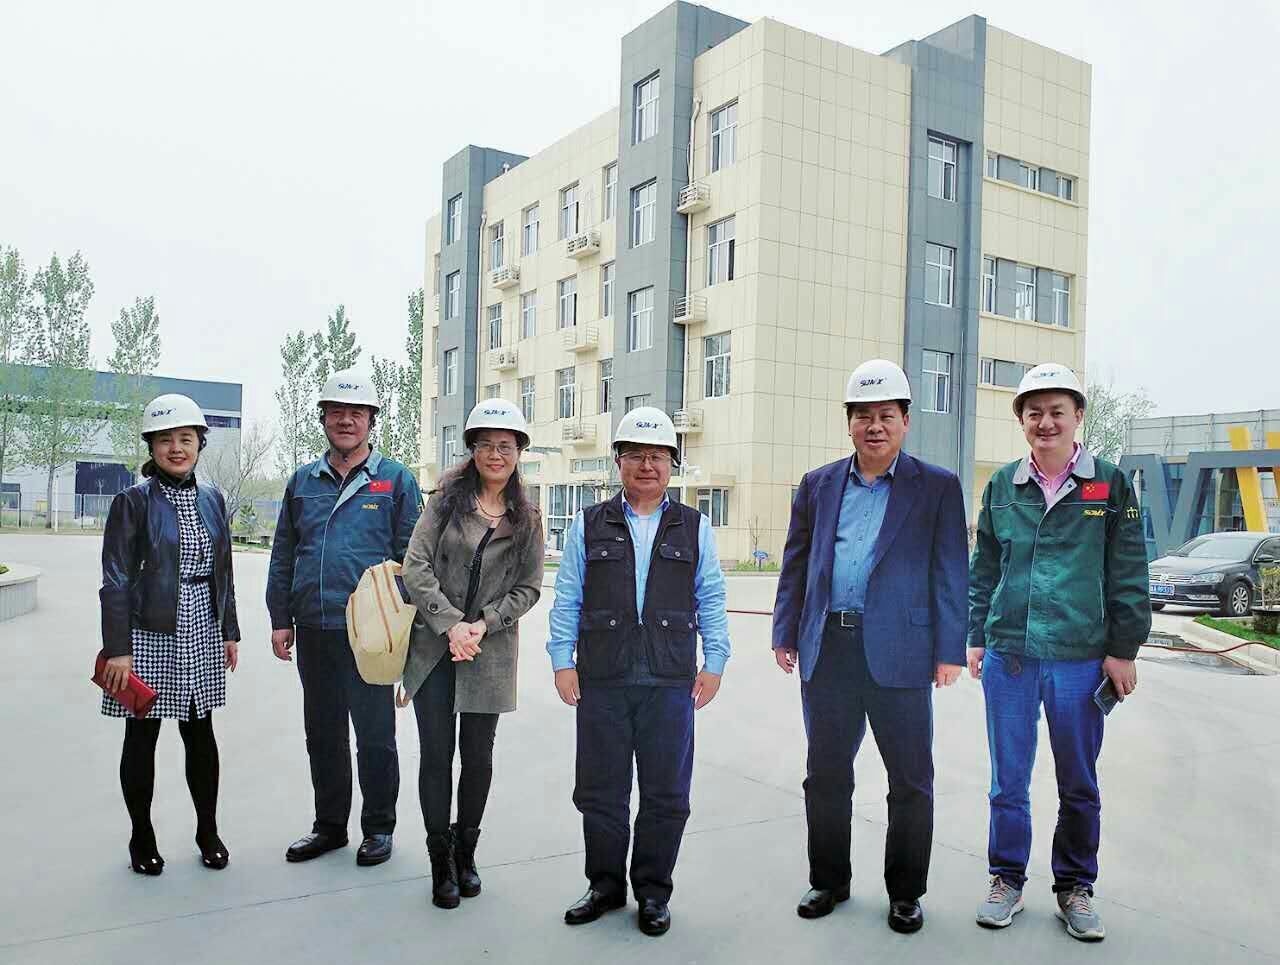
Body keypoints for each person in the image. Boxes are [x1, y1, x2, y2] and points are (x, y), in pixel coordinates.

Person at [771, 359, 968, 934]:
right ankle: (828, 880)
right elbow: (797, 563)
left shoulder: (937, 487)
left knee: (910, 780)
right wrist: (786, 631)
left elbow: (950, 570)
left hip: (902, 652)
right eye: (863, 416)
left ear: (906, 421)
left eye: (886, 416)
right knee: (826, 774)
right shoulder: (818, 484)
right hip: (829, 647)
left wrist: (949, 649)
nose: (874, 426)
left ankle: (905, 893)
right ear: (849, 422)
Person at [968, 362, 1150, 942]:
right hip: (1011, 656)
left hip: (1079, 658)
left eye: (1056, 412)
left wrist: (1123, 649)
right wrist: (976, 635)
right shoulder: (1003, 486)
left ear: (1078, 417)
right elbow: (984, 567)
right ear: (1021, 420)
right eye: (1034, 413)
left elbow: (1128, 570)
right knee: (1007, 781)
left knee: (1078, 783)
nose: (1045, 422)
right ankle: (1007, 879)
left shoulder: (1108, 485)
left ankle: (1074, 886)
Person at [547, 407, 730, 938]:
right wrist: (562, 661)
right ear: (618, 461)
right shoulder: (587, 524)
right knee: (600, 791)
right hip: (602, 677)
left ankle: (653, 892)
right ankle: (604, 886)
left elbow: (711, 597)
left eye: (657, 456)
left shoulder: (694, 526)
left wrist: (715, 662)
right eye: (636, 455)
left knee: (666, 794)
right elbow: (568, 596)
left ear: (672, 463)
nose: (647, 465)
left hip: (670, 681)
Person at [266, 369, 422, 867]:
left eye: (357, 413)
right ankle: (330, 826)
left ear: (371, 420)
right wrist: (280, 617)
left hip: (370, 637)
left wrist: (404, 628)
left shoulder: (395, 480)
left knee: (375, 736)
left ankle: (378, 828)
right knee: (323, 734)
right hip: (315, 627)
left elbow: (413, 559)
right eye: (337, 412)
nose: (347, 421)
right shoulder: (302, 482)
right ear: (324, 419)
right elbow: (284, 553)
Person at [399, 399, 545, 909]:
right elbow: (415, 566)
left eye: (505, 445)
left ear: (519, 452)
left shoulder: (527, 517)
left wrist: (483, 624)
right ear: (472, 450)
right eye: (485, 445)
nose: (495, 454)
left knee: (478, 757)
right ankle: (439, 859)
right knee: (436, 755)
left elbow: (529, 587)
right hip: (435, 648)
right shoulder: (444, 502)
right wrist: (450, 623)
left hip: (489, 650)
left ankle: (466, 853)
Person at [99, 394, 240, 875]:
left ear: (200, 443)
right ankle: (141, 835)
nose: (176, 448)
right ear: (152, 447)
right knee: (142, 734)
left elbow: (224, 568)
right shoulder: (132, 501)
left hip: (202, 624)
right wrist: (118, 649)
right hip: (149, 629)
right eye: (165, 440)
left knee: (201, 732)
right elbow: (115, 578)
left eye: (186, 438)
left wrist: (229, 630)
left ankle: (208, 831)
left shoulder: (213, 498)